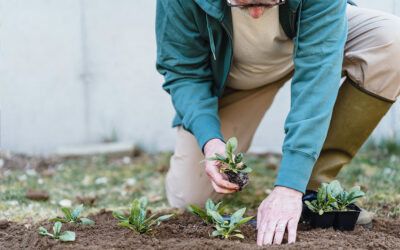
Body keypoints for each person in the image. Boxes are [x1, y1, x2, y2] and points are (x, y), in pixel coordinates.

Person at [156, 0, 400, 246]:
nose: (256, 13)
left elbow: (316, 79)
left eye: (269, 2)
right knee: (188, 198)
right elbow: (183, 72)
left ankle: (310, 185)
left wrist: (290, 185)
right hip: (237, 75)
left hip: (315, 37)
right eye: (240, 4)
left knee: (392, 40)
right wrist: (210, 140)